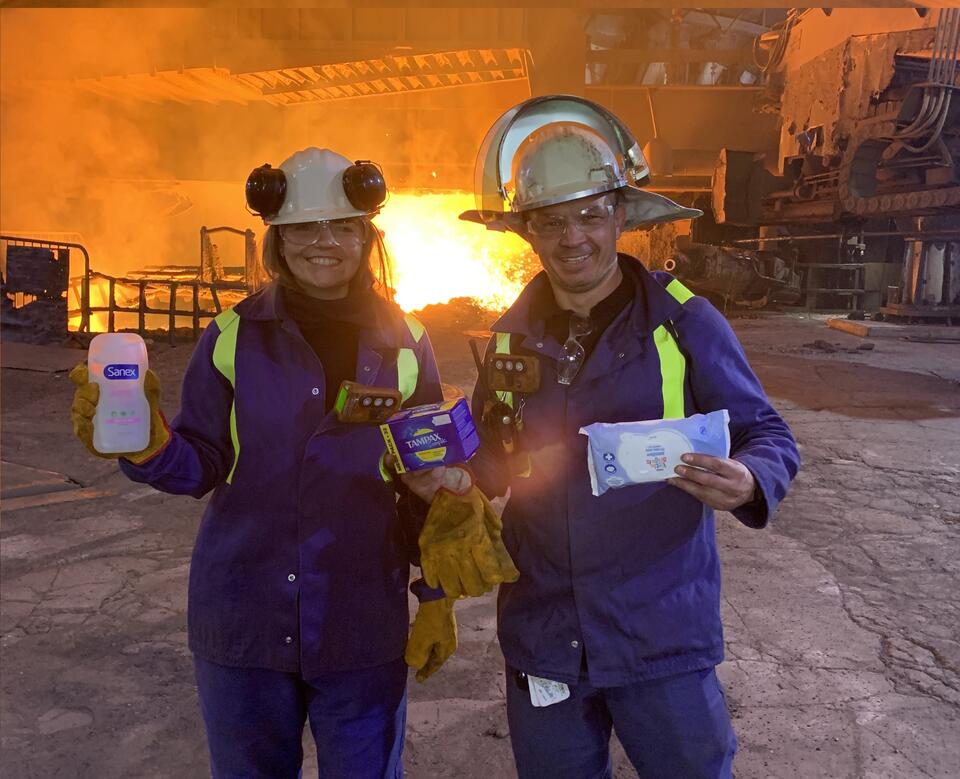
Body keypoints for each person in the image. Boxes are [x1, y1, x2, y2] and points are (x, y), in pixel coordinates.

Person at [69, 147, 457, 779]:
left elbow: (427, 482)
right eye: (304, 227)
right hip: (244, 619)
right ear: (277, 239)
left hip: (359, 623)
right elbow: (200, 465)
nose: (323, 242)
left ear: (367, 235)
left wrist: (435, 592)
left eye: (342, 226)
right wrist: (148, 446)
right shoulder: (231, 336)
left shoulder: (406, 341)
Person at [457, 96, 801, 778]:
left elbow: (767, 431)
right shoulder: (508, 338)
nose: (572, 237)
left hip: (659, 631)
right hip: (545, 629)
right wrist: (444, 479)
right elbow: (488, 458)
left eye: (589, 214)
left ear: (621, 214)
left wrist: (752, 476)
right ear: (526, 230)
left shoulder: (685, 323)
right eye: (551, 221)